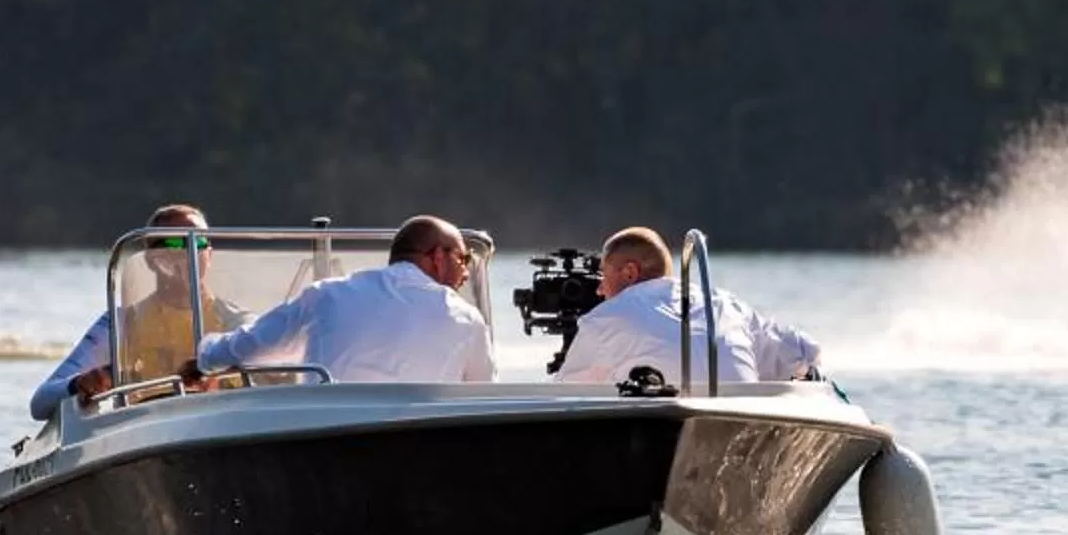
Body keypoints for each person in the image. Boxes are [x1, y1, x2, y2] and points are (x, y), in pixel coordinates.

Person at [190, 214, 496, 385]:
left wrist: (203, 361)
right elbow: (483, 396)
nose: (466, 271)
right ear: (438, 257)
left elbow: (252, 346)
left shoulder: (329, 294)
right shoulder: (466, 318)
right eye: (463, 258)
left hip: (328, 438)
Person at [28, 202, 236, 421]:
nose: (187, 253)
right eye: (173, 244)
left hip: (222, 424)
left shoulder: (238, 322)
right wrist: (80, 383)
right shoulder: (121, 323)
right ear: (150, 260)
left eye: (198, 243)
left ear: (210, 255)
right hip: (147, 429)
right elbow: (41, 402)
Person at [550, 226, 822, 386]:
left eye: (603, 276)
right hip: (739, 425)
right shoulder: (726, 305)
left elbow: (565, 394)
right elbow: (804, 350)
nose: (599, 289)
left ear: (630, 273)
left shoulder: (606, 318)